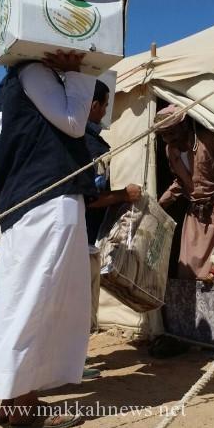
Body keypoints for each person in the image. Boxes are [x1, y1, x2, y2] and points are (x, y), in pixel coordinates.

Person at [0, 50, 98, 428]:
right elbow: (74, 123)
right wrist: (78, 74)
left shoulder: (1, 96)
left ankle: (13, 399)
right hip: (48, 202)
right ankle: (24, 406)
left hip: (21, 207)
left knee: (20, 300)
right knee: (40, 302)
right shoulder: (33, 72)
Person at [155, 104, 214, 284]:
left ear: (183, 126)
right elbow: (180, 181)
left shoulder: (208, 140)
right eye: (164, 135)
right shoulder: (170, 150)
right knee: (189, 269)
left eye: (172, 132)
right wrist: (159, 204)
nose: (169, 138)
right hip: (194, 218)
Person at [83, 79, 141, 332]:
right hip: (83, 234)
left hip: (80, 233)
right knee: (81, 294)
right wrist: (124, 195)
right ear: (93, 105)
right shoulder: (88, 146)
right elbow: (91, 198)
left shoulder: (73, 140)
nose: (106, 111)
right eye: (105, 105)